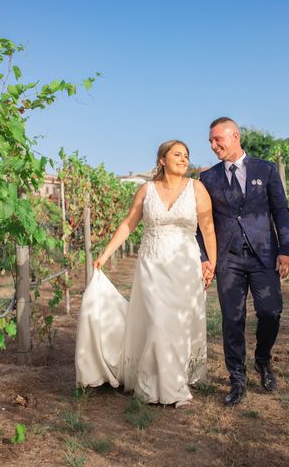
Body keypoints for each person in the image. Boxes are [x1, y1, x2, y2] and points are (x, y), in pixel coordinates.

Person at [75, 140, 217, 409]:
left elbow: (208, 228)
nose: (184, 159)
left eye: (186, 155)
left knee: (179, 323)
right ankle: (159, 386)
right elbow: (128, 223)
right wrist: (104, 255)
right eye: (177, 154)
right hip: (152, 264)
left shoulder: (197, 188)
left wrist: (212, 262)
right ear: (162, 159)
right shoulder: (146, 190)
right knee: (158, 321)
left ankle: (173, 381)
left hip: (186, 265)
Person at [197, 117, 289, 406]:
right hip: (227, 258)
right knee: (232, 319)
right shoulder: (208, 178)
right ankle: (237, 379)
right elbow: (201, 222)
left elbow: (280, 210)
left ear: (235, 136)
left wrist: (286, 249)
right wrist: (204, 257)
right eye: (211, 142)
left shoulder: (265, 170)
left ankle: (262, 360)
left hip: (263, 254)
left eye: (218, 140)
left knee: (270, 311)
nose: (214, 146)